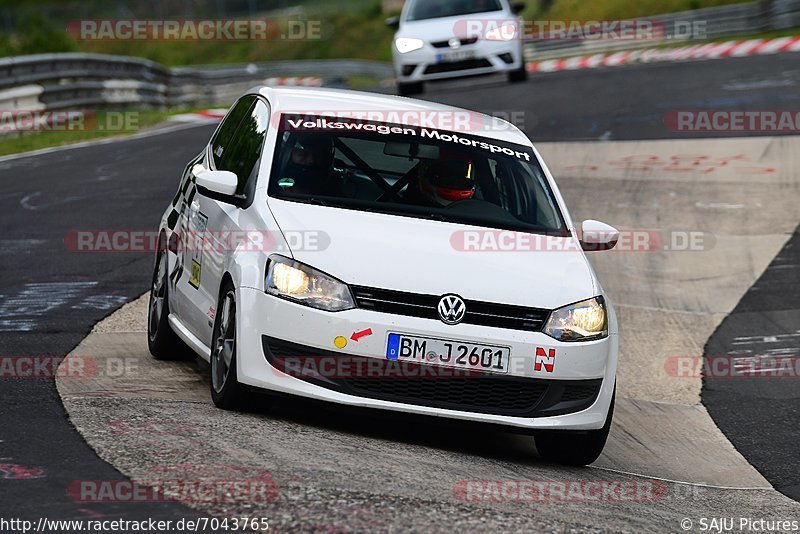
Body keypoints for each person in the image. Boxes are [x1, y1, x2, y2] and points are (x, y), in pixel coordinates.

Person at [406, 156, 476, 207]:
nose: (455, 183)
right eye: (447, 175)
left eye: (459, 176)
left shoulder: (477, 208)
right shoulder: (407, 207)